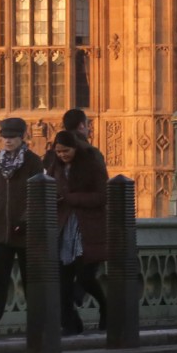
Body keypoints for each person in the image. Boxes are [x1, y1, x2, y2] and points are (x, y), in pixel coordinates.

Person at [0, 117, 41, 338]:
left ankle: (39, 325)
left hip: (24, 232)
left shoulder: (33, 161)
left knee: (31, 282)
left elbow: (37, 196)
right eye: (4, 137)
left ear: (22, 138)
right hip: (1, 230)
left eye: (12, 137)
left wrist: (25, 220)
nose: (7, 141)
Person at [52, 129, 110, 335]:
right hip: (65, 228)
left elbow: (102, 196)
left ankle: (106, 307)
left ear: (76, 148)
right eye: (58, 152)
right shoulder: (56, 168)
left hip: (88, 228)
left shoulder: (92, 165)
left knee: (85, 277)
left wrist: (72, 198)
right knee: (63, 281)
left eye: (66, 151)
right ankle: (70, 324)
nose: (62, 155)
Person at [44, 108, 99, 177]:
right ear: (81, 126)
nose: (88, 129)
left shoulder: (51, 154)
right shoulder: (91, 153)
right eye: (87, 125)